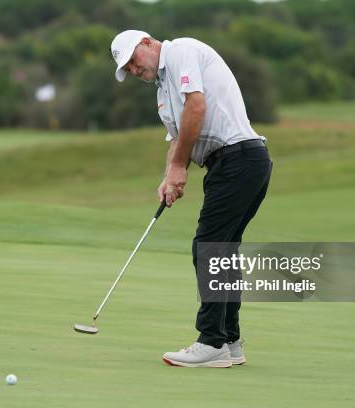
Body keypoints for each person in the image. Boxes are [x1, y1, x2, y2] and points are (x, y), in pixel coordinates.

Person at [110, 30, 272, 368]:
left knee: (208, 247)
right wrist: (170, 175)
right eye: (128, 70)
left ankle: (211, 342)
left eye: (134, 62)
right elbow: (178, 137)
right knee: (222, 251)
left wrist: (181, 165)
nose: (135, 71)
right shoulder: (162, 91)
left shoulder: (181, 51)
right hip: (232, 164)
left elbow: (197, 108)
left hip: (240, 158)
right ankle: (230, 340)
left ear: (147, 43)